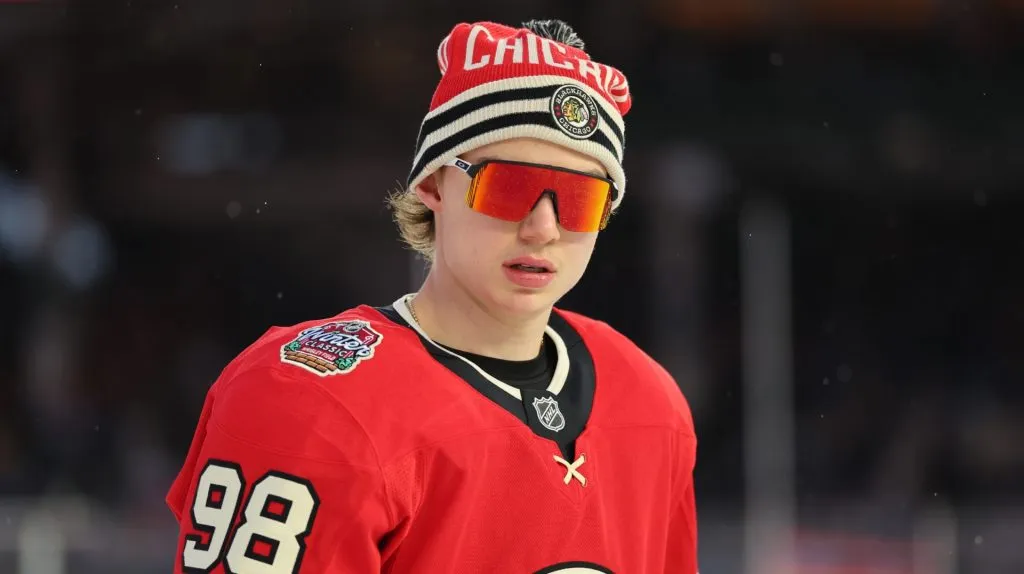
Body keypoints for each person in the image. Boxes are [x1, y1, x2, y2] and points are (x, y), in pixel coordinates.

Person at [167, 18, 698, 574]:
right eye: (508, 186)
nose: (544, 228)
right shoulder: (308, 402)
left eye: (579, 197)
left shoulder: (648, 402)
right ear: (432, 184)